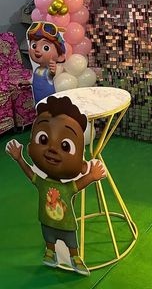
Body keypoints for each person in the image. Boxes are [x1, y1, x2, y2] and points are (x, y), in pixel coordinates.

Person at [6, 95, 106, 276]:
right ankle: (50, 252)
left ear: (81, 164)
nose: (52, 149)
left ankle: (75, 258)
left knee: (71, 242)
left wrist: (91, 176)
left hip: (67, 224)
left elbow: (78, 185)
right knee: (49, 237)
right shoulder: (42, 183)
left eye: (65, 146)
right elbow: (30, 173)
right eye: (43, 140)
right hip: (46, 221)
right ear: (30, 148)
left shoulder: (66, 188)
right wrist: (19, 159)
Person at [27, 22, 66, 104]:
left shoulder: (48, 71)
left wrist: (52, 71)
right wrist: (28, 82)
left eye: (46, 48)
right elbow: (34, 80)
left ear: (60, 56)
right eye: (34, 46)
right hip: (37, 98)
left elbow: (51, 75)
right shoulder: (37, 69)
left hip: (49, 101)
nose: (37, 50)